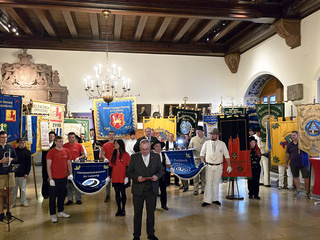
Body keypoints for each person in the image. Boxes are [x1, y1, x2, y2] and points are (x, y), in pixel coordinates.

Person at [127, 139, 163, 240]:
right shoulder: (134, 157)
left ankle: (151, 233)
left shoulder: (156, 156)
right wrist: (136, 177)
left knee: (151, 213)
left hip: (151, 190)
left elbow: (161, 170)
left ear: (150, 148)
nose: (145, 151)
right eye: (143, 149)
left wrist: (157, 176)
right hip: (138, 190)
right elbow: (129, 172)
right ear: (139, 148)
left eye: (147, 149)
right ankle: (136, 235)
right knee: (137, 213)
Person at [200, 128, 232, 206]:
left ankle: (215, 199)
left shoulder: (222, 144)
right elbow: (202, 154)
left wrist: (229, 165)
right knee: (208, 183)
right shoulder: (206, 143)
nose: (212, 135)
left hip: (218, 166)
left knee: (216, 183)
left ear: (217, 135)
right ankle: (207, 200)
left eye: (213, 134)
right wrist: (203, 162)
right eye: (211, 134)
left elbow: (227, 155)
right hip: (209, 166)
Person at [47, 135, 73, 223]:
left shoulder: (66, 151)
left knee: (62, 195)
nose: (61, 143)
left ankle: (61, 212)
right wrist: (50, 179)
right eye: (59, 142)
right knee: (53, 197)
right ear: (55, 142)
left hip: (63, 177)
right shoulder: (51, 152)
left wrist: (71, 174)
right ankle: (53, 214)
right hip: (54, 178)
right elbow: (48, 166)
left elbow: (69, 164)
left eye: (62, 141)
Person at [107, 140, 130, 216]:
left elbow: (128, 167)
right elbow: (110, 166)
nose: (115, 145)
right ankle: (118, 208)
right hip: (115, 177)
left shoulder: (126, 155)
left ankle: (123, 208)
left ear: (120, 145)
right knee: (117, 193)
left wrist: (127, 176)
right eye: (115, 143)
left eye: (116, 143)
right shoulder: (112, 155)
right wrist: (108, 176)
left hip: (123, 177)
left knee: (123, 193)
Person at [285, 131, 311, 198]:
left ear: (297, 135)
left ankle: (307, 192)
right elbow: (287, 154)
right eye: (292, 135)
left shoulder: (303, 143)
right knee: (295, 177)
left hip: (304, 163)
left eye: (294, 135)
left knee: (306, 178)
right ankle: (298, 190)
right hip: (294, 163)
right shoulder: (290, 145)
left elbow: (310, 150)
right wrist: (286, 163)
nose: (292, 137)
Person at [63, 132, 85, 205]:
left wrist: (79, 157)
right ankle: (70, 199)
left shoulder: (79, 145)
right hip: (67, 167)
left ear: (75, 138)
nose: (71, 139)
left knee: (77, 183)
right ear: (68, 138)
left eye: (73, 137)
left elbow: (84, 155)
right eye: (70, 137)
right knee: (69, 183)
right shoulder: (65, 146)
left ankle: (78, 199)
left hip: (77, 167)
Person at [152, 139, 174, 210]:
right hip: (154, 176)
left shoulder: (164, 154)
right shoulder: (151, 155)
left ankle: (164, 204)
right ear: (154, 147)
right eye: (157, 146)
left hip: (162, 176)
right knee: (154, 191)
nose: (158, 147)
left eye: (159, 146)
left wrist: (172, 169)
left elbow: (167, 163)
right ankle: (153, 205)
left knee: (163, 190)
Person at [0, 131, 16, 221]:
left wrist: (11, 159)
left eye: (6, 137)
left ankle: (9, 211)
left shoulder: (10, 147)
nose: (4, 139)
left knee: (10, 191)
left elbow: (16, 157)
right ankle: (1, 212)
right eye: (2, 137)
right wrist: (1, 161)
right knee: (1, 193)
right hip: (1, 173)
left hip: (10, 172)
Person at [11, 138, 31, 207]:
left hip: (23, 173)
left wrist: (27, 173)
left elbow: (28, 163)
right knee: (14, 189)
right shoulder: (14, 151)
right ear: (18, 143)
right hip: (15, 172)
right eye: (20, 143)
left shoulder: (27, 152)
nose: (22, 144)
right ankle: (13, 202)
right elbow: (12, 161)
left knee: (23, 188)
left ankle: (23, 201)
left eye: (23, 142)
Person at [189, 126, 209, 195]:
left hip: (204, 159)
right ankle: (196, 189)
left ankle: (203, 188)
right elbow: (189, 148)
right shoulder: (193, 139)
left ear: (202, 132)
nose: (197, 133)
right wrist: (192, 148)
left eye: (199, 131)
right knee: (196, 175)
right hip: (196, 158)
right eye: (197, 131)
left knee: (204, 174)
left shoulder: (206, 139)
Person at [41, 131, 56, 199]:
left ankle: (52, 193)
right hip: (45, 164)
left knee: (53, 179)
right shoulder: (45, 144)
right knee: (45, 179)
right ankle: (45, 193)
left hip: (54, 165)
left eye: (53, 136)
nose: (51, 137)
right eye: (50, 136)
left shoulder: (56, 145)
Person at [101, 131, 116, 202]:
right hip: (108, 165)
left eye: (113, 135)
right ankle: (108, 195)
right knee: (108, 181)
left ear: (114, 136)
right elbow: (102, 155)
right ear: (108, 136)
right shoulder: (105, 145)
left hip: (116, 165)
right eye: (110, 135)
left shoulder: (117, 144)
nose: (111, 136)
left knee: (116, 181)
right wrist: (105, 159)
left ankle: (117, 195)